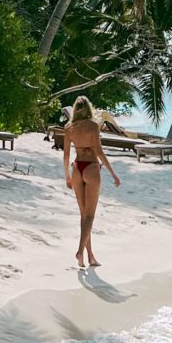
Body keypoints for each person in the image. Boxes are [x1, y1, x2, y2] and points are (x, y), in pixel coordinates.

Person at [62, 95, 120, 268]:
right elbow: (100, 152)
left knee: (83, 216)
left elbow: (66, 155)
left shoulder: (69, 128)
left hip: (77, 168)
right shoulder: (94, 126)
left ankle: (90, 257)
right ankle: (80, 251)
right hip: (91, 168)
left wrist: (67, 176)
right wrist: (113, 174)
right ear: (89, 108)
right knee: (90, 216)